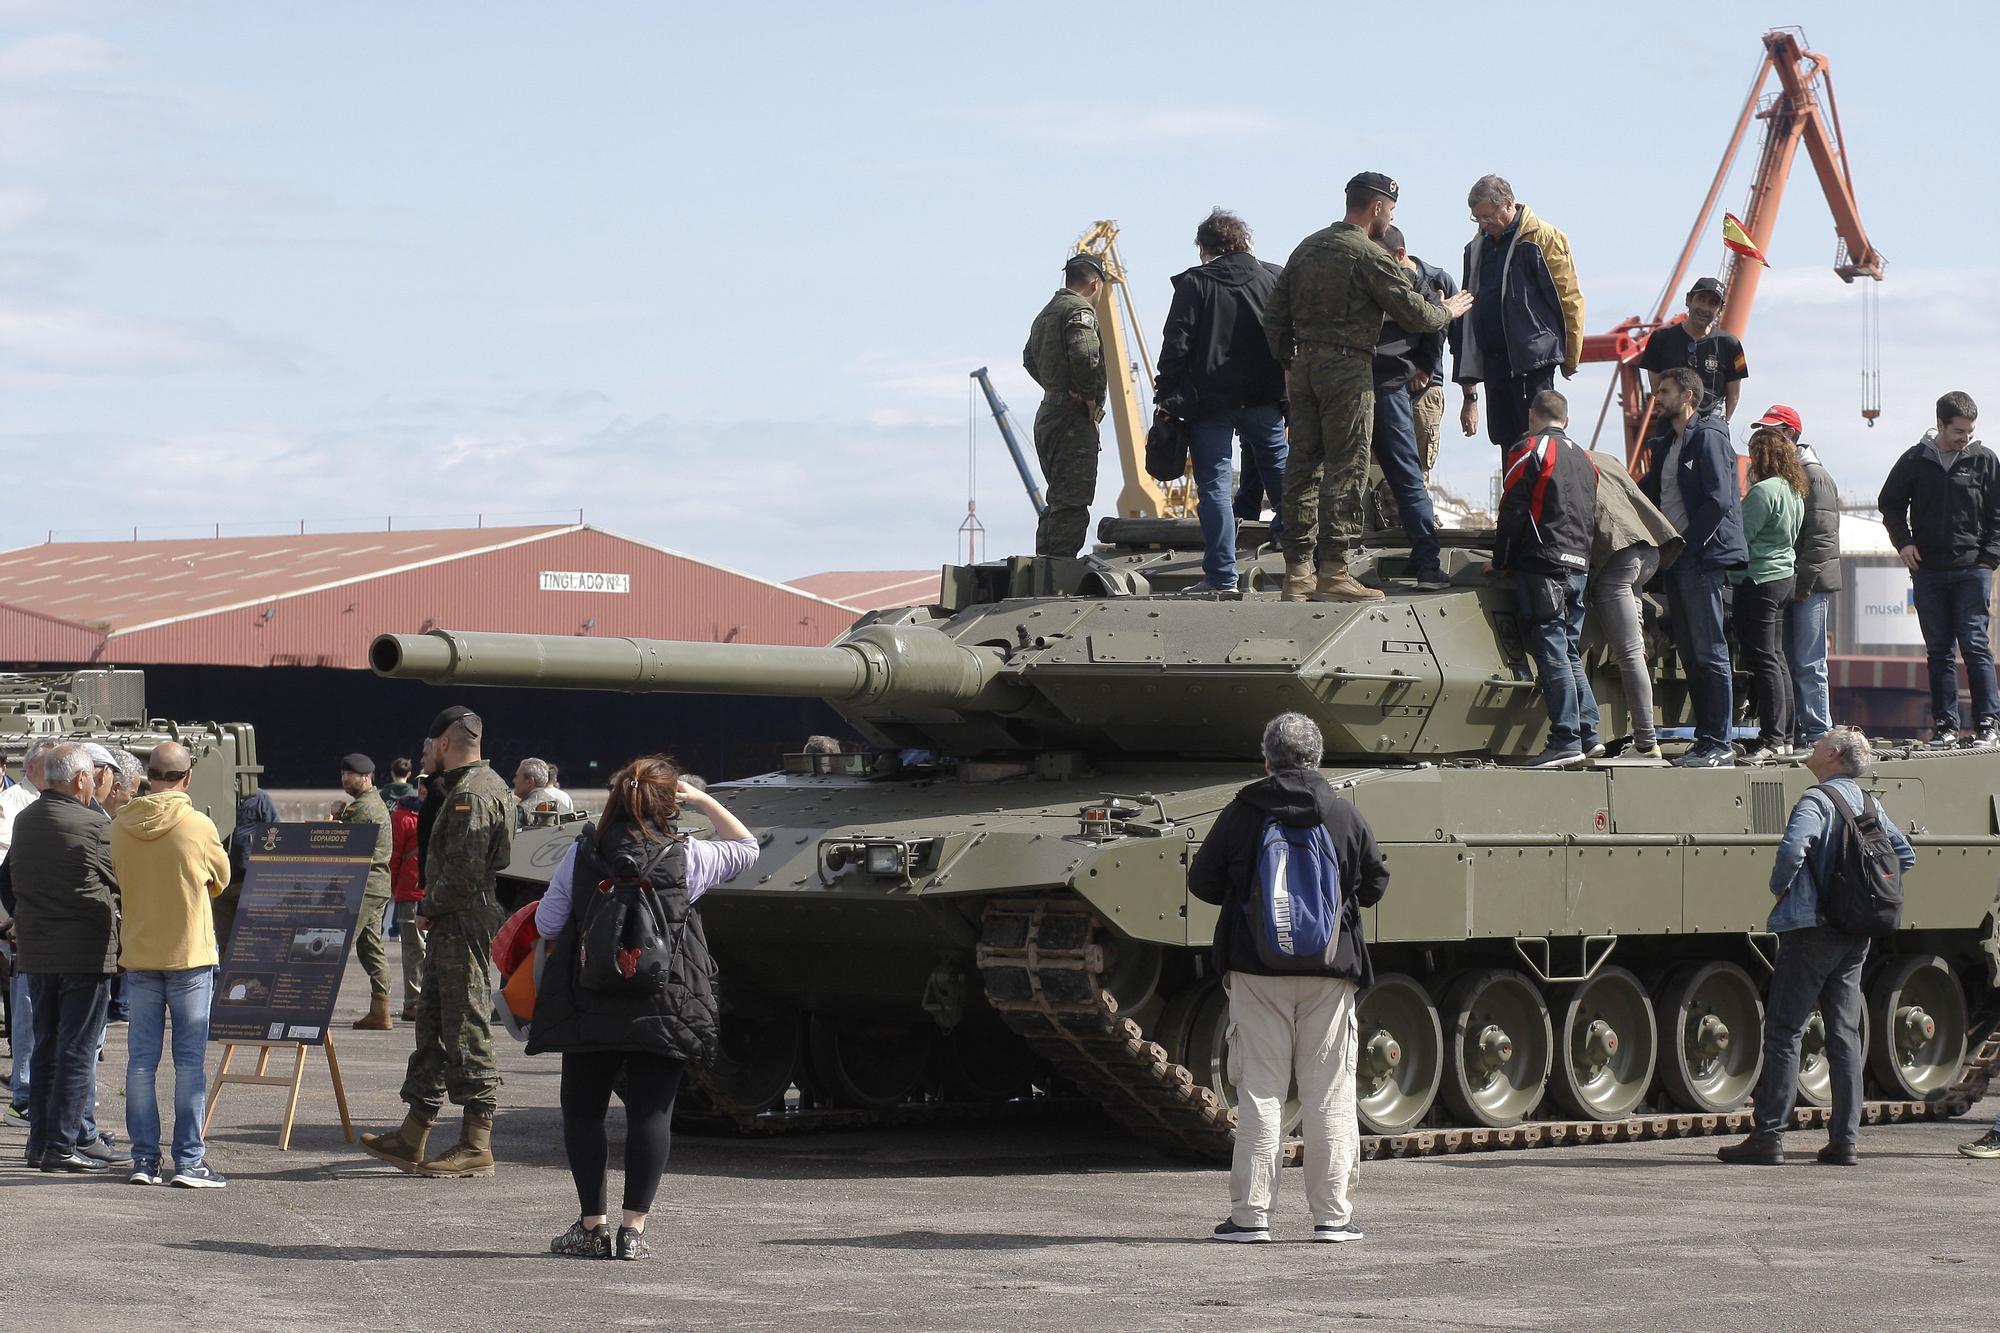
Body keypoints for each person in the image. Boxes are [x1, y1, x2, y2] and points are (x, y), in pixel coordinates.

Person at [528, 755, 757, 1260]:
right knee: (652, 1115)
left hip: (589, 1001)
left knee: (583, 1114)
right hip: (664, 1001)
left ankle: (592, 1227)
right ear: (667, 804)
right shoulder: (688, 855)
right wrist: (702, 799)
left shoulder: (583, 852)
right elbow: (747, 847)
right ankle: (633, 1233)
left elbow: (547, 924)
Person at [1188, 713, 1388, 1243]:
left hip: (1256, 973)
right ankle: (1333, 1218)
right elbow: (1374, 885)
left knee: (1262, 1094)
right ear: (1317, 759)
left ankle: (1250, 1217)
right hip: (1329, 974)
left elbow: (1202, 882)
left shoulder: (1242, 813)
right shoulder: (1343, 813)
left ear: (1267, 758)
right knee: (1329, 1096)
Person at [1264, 172, 1473, 603]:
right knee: (1347, 466)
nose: (1390, 217)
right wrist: (1446, 309)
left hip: (1305, 366)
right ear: (1378, 208)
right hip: (1348, 367)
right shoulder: (1367, 254)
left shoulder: (1307, 247)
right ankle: (1335, 572)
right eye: (1391, 210)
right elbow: (1416, 314)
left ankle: (1297, 573)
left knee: (1302, 468)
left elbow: (1274, 317)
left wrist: (1290, 361)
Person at [1718, 728, 1914, 1166]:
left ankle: (1768, 1136)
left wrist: (1779, 888)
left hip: (1811, 929)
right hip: (1854, 934)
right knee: (1844, 1033)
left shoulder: (1816, 800)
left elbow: (1793, 849)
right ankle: (1844, 1141)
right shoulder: (1869, 804)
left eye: (1821, 740)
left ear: (1832, 754)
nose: (1814, 744)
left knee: (1786, 1030)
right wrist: (1861, 896)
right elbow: (1905, 854)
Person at [360, 706, 514, 1178]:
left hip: (460, 919)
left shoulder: (472, 792)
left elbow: (465, 871)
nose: (427, 752)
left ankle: (476, 1143)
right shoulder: (481, 786)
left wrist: (429, 905)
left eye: (431, 744)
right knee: (433, 1022)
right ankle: (413, 1133)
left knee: (465, 1023)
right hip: (454, 918)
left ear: (446, 743)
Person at [109, 740, 231, 1187]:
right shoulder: (198, 824)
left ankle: (143, 1160)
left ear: (146, 776)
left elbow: (118, 877)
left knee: (141, 1063)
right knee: (188, 1064)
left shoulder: (120, 825)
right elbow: (221, 878)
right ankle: (188, 1161)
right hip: (190, 957)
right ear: (187, 777)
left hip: (139, 955)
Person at [1153, 207, 1289, 592]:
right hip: (1264, 398)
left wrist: (1167, 396)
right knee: (1284, 482)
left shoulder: (1195, 283)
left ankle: (1221, 578)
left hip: (1208, 403)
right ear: (1243, 240)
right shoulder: (1273, 278)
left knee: (1213, 487)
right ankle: (1302, 568)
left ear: (1205, 247)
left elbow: (1176, 344)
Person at [10, 742, 124, 1172]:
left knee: (46, 1045)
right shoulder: (94, 825)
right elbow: (121, 878)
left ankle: (39, 1143)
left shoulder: (25, 819)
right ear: (81, 779)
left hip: (37, 951)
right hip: (85, 952)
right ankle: (62, 1146)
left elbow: (9, 878)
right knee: (77, 1049)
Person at [1877, 391, 2000, 748]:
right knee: (1939, 650)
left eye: (1971, 431)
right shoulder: (1915, 460)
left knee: (1975, 645)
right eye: (1960, 431)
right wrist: (1904, 543)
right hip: (1928, 571)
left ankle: (1987, 724)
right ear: (1941, 425)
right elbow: (1891, 504)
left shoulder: (1985, 461)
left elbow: (1997, 513)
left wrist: (1989, 557)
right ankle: (1946, 726)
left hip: (1971, 569)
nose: (1966, 438)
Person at [1640, 366, 1748, 767]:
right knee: (1691, 652)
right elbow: (1652, 492)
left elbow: (1719, 500)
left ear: (1688, 396)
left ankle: (1719, 744)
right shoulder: (1667, 444)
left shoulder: (1708, 437)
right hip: (1677, 560)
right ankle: (1706, 740)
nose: (1658, 397)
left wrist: (1690, 546)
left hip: (1699, 560)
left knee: (1709, 651)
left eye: (1664, 391)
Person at [1492, 390, 1600, 767]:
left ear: (1531, 415)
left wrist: (1502, 560)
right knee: (1569, 649)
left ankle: (1566, 738)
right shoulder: (1586, 459)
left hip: (1544, 564)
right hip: (1579, 566)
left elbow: (1513, 507)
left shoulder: (1530, 449)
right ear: (1566, 420)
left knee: (1552, 649)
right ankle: (1589, 733)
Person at [1452, 175, 1584, 451]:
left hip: (1533, 359)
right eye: (1477, 219)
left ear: (1508, 204)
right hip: (1495, 359)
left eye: (1488, 217)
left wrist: (1571, 354)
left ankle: (1543, 492)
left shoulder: (1543, 237)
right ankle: (1514, 493)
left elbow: (1568, 298)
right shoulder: (1477, 248)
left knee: (1540, 437)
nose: (1484, 224)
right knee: (1505, 437)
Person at [1586, 426, 1681, 759]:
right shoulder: (1605, 459)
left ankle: (1645, 740)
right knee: (1634, 650)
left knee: (1628, 653)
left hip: (1618, 555)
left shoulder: (1563, 462)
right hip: (1648, 550)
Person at [1367, 225, 1451, 589]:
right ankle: (1428, 563)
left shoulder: (1364, 276)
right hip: (1389, 387)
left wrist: (1425, 368)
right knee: (1407, 477)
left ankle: (1326, 565)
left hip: (1365, 385)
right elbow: (1436, 322)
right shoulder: (1414, 284)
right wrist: (1424, 364)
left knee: (1340, 474)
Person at [1022, 254, 1107, 559]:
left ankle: (1045, 568)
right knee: (1072, 501)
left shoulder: (1047, 312)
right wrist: (1086, 395)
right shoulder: (1080, 309)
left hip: (1048, 414)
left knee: (1057, 499)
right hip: (1072, 419)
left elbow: (1029, 358)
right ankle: (1058, 575)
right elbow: (1086, 355)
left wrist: (1054, 387)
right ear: (1095, 283)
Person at [1732, 429, 1808, 761]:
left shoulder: (1763, 492)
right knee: (1776, 658)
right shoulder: (1794, 490)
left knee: (1762, 658)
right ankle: (1786, 736)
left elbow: (1741, 537)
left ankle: (1771, 738)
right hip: (1783, 577)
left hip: (1757, 579)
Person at [1769, 406, 1842, 750]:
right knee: (1790, 659)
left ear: (1792, 436)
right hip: (1793, 582)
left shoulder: (1814, 476)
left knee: (1809, 661)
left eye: (1775, 432)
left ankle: (1816, 732)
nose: (1768, 438)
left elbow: (1822, 538)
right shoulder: (1787, 475)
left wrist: (1802, 583)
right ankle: (1802, 730)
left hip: (1809, 586)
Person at [2, 738, 58, 1123]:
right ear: (36, 769)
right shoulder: (11, 806)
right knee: (24, 1009)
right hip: (19, 925)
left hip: (43, 923)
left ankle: (41, 1089)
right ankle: (24, 1090)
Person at [338, 753, 396, 1030]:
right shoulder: (372, 803)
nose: (345, 779)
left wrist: (334, 821)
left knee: (339, 942)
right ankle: (380, 1010)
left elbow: (344, 847)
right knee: (370, 946)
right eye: (343, 775)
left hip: (364, 885)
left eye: (350, 775)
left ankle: (315, 1004)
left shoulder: (361, 809)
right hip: (376, 885)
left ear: (367, 777)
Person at [1637, 277, 1748, 421]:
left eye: (1712, 303)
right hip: (1672, 424)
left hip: (1709, 425)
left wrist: (1723, 424)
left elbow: (1733, 394)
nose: (1705, 308)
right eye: (1700, 299)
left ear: (1720, 310)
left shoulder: (1730, 344)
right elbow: (1656, 388)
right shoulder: (1660, 339)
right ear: (1688, 300)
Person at [217, 788, 277, 956]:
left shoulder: (259, 799)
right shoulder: (217, 797)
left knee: (254, 940)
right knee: (224, 941)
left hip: (249, 882)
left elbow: (276, 831)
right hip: (222, 884)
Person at [390, 793, 426, 1021]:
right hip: (432, 890)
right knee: (427, 948)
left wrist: (391, 888)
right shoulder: (432, 813)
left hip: (409, 889)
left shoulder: (401, 818)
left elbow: (393, 857)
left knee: (413, 949)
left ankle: (413, 1001)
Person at [513, 757, 574, 827]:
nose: (514, 780)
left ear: (530, 781)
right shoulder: (562, 806)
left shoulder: (521, 811)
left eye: (517, 776)